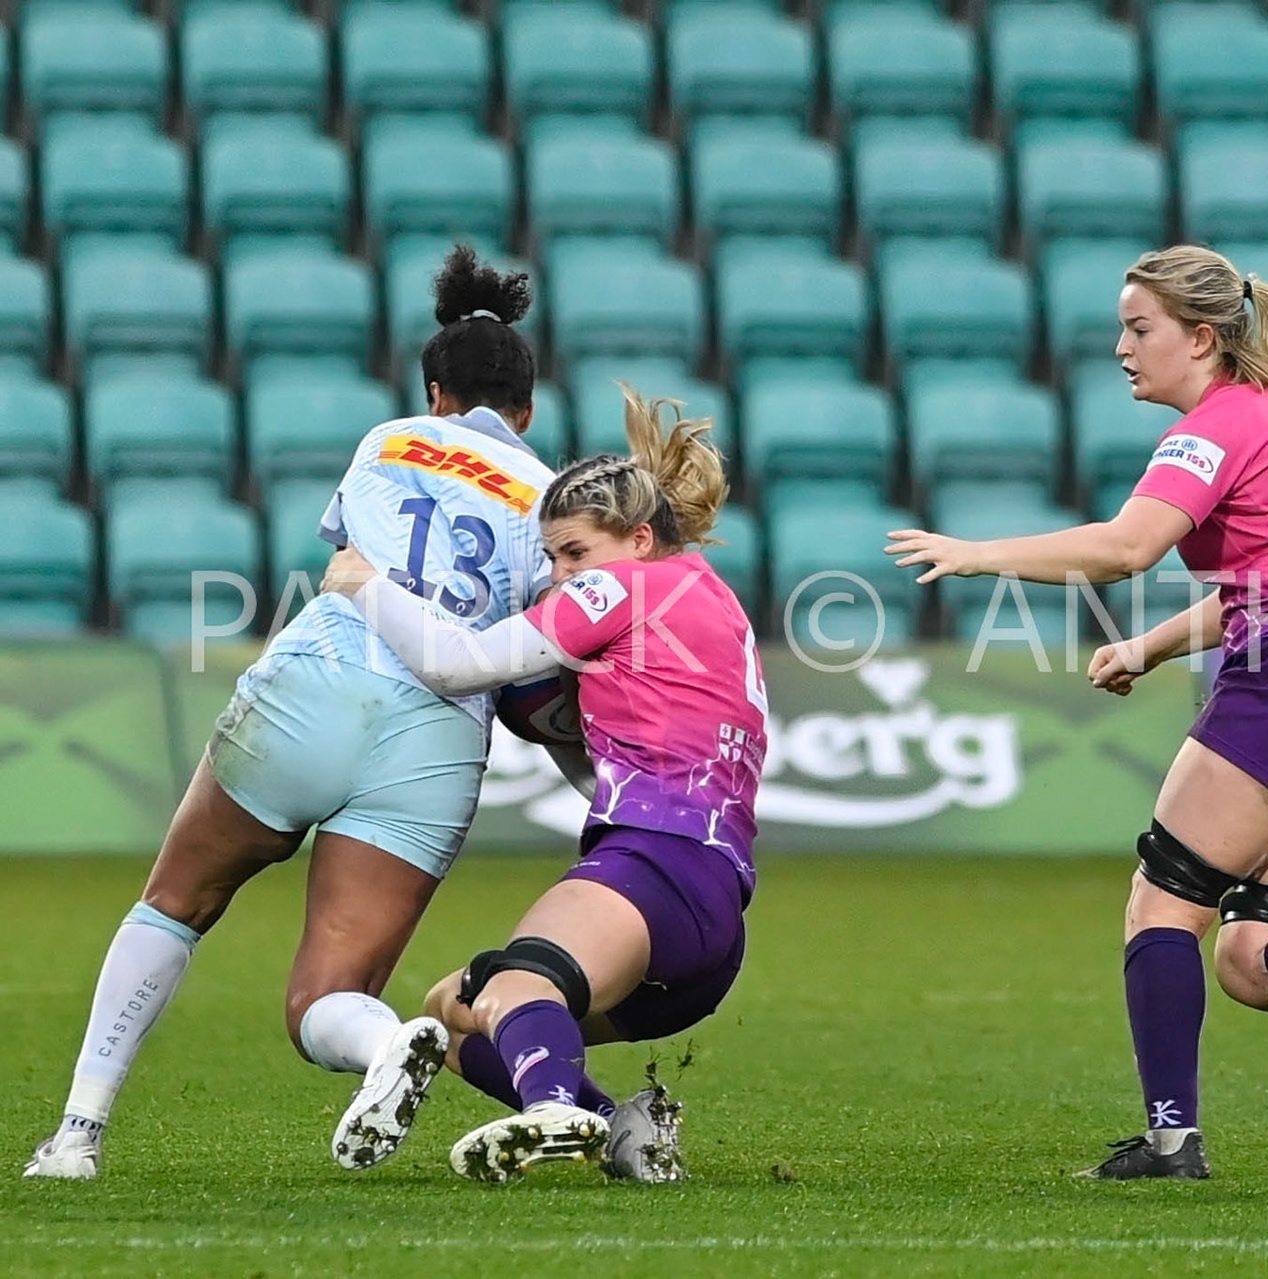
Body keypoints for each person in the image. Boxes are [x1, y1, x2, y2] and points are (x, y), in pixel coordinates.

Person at [887, 246, 1268, 1181]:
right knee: (1256, 957)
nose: (1123, 349)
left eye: (1141, 329)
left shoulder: (1212, 427)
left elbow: (1127, 547)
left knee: (1161, 904)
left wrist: (977, 554)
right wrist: (1146, 648)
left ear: (1204, 337)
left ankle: (1172, 1140)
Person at [25, 248, 557, 1179]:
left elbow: (355, 557)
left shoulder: (387, 441)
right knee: (327, 993)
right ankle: (385, 1040)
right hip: (436, 735)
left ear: (435, 392)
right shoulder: (553, 496)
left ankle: (77, 1134)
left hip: (317, 679)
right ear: (528, 408)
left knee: (176, 901)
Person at [320, 388, 765, 1184]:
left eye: (572, 553)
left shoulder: (621, 588)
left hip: (652, 867)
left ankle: (554, 1106)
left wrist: (364, 585)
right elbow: (612, 753)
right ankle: (619, 1127)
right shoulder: (716, 601)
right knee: (452, 1010)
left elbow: (458, 663)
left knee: (516, 979)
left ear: (636, 537)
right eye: (552, 558)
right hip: (711, 912)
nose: (559, 576)